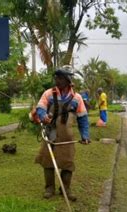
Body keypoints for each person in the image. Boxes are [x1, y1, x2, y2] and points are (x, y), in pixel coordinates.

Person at [35, 68, 91, 201]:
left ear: (68, 80)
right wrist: (43, 116)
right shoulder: (48, 93)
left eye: (60, 78)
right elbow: (40, 108)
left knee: (68, 163)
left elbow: (83, 119)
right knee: (48, 162)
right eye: (56, 78)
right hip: (50, 133)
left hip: (67, 136)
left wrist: (85, 136)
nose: (57, 80)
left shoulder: (77, 98)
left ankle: (66, 189)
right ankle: (49, 188)